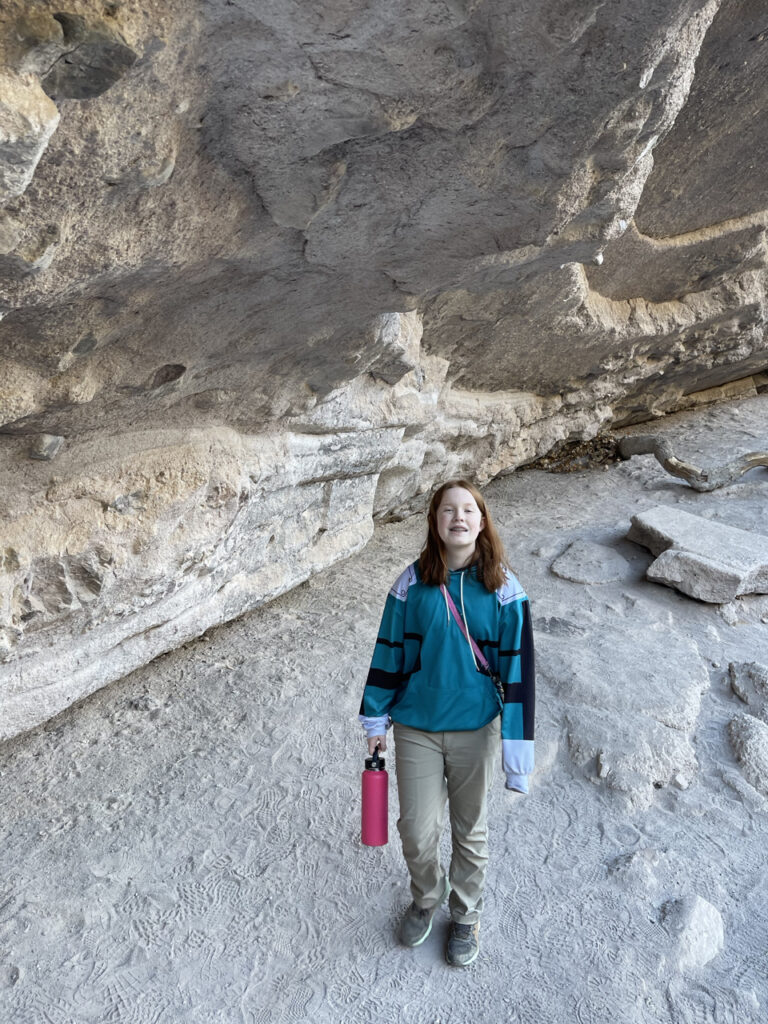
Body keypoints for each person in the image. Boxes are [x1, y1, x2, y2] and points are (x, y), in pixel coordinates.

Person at [358, 478, 535, 967]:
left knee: (470, 828)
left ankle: (466, 912)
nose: (458, 518)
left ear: (482, 522)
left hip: (475, 728)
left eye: (468, 510)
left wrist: (517, 757)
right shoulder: (411, 584)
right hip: (416, 725)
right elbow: (388, 653)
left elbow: (519, 675)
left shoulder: (504, 591)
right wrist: (376, 718)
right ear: (435, 522)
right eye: (447, 510)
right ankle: (427, 897)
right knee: (416, 830)